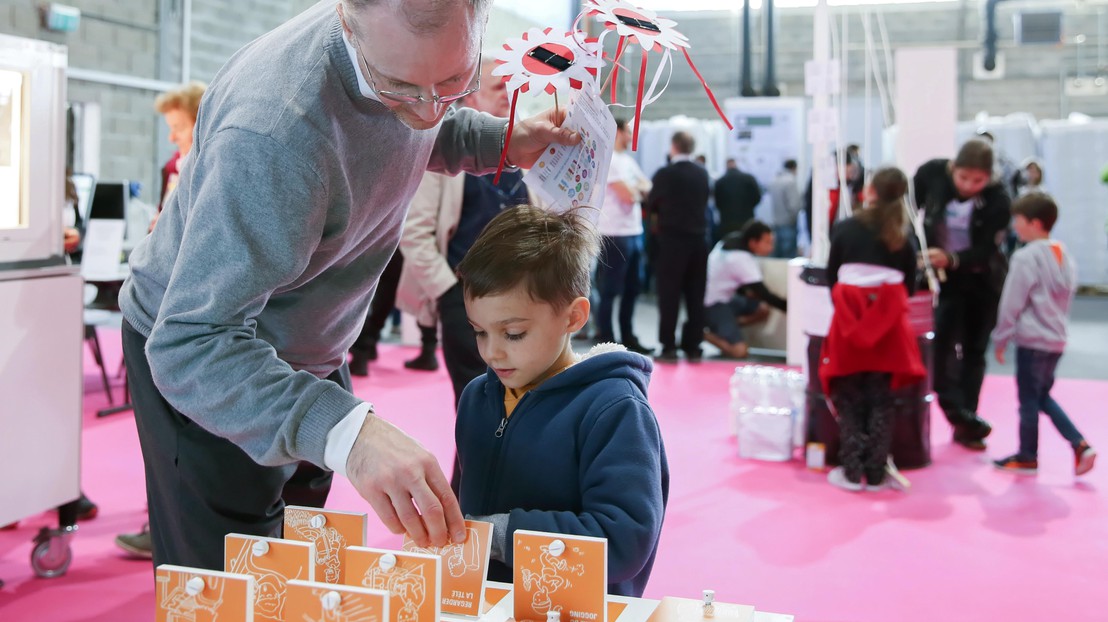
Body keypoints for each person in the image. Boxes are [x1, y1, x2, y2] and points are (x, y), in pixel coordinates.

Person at [116, 0, 579, 571]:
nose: (429, 107)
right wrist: (349, 433)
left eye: (456, 80)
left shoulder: (407, 69)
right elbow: (190, 343)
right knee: (233, 576)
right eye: (400, 87)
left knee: (304, 551)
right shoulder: (272, 132)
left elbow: (423, 120)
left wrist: (501, 141)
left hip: (310, 338)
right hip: (213, 362)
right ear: (346, 23)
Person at [453, 205, 668, 597]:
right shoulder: (477, 398)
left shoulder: (615, 410)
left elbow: (623, 542)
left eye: (513, 333)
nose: (492, 353)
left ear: (573, 317)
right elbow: (462, 512)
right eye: (479, 332)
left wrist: (500, 535)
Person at [820, 167, 924, 491]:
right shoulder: (904, 237)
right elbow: (909, 286)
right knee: (881, 399)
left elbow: (831, 275)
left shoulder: (845, 228)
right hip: (890, 330)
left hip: (848, 323)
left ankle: (851, 471)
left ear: (871, 191)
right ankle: (876, 472)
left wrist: (852, 309)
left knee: (848, 397)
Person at [990, 193, 1096, 476]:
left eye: (1018, 220)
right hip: (1056, 339)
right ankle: (1078, 445)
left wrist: (1001, 337)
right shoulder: (1064, 254)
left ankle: (1030, 455)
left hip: (1033, 340)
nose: (1015, 226)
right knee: (1041, 396)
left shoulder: (1026, 257)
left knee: (1029, 400)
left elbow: (1012, 300)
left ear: (1034, 223)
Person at [916, 139, 1011, 451]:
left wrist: (953, 258)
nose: (970, 186)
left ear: (989, 178)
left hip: (984, 282)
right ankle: (958, 412)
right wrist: (915, 251)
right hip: (944, 281)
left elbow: (987, 249)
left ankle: (967, 422)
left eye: (978, 180)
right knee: (940, 347)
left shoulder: (998, 198)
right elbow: (906, 210)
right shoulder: (931, 174)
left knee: (974, 351)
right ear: (952, 169)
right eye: (963, 178)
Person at [646, 131, 710, 362]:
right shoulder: (702, 173)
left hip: (672, 241)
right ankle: (693, 345)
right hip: (699, 240)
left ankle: (668, 345)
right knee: (696, 293)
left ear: (673, 146)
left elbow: (652, 204)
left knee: (669, 294)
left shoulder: (665, 174)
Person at [593, 118, 652, 354]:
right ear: (617, 132)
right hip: (614, 234)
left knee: (632, 288)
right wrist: (636, 189)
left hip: (634, 232)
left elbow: (647, 186)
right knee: (610, 289)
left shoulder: (627, 161)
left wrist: (636, 189)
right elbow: (631, 196)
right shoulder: (611, 161)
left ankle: (627, 335)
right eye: (628, 132)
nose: (630, 137)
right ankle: (607, 340)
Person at [702, 221, 786, 359]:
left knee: (762, 309)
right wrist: (790, 307)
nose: (771, 248)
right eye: (767, 243)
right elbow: (764, 293)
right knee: (740, 352)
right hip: (713, 305)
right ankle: (702, 334)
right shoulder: (740, 258)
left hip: (722, 298)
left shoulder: (729, 241)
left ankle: (727, 326)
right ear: (753, 242)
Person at [148, 81, 206, 232]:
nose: (171, 138)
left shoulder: (212, 174)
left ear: (201, 126)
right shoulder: (171, 169)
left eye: (178, 128)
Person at [713, 157, 762, 240]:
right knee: (747, 243)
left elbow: (717, 203)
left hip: (727, 221)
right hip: (747, 219)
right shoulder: (749, 178)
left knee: (730, 244)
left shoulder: (720, 182)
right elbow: (757, 197)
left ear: (726, 166)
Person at [767, 159, 803, 258]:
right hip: (788, 223)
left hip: (776, 222)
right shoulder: (790, 181)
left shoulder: (774, 180)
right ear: (794, 168)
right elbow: (794, 205)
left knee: (777, 255)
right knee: (788, 257)